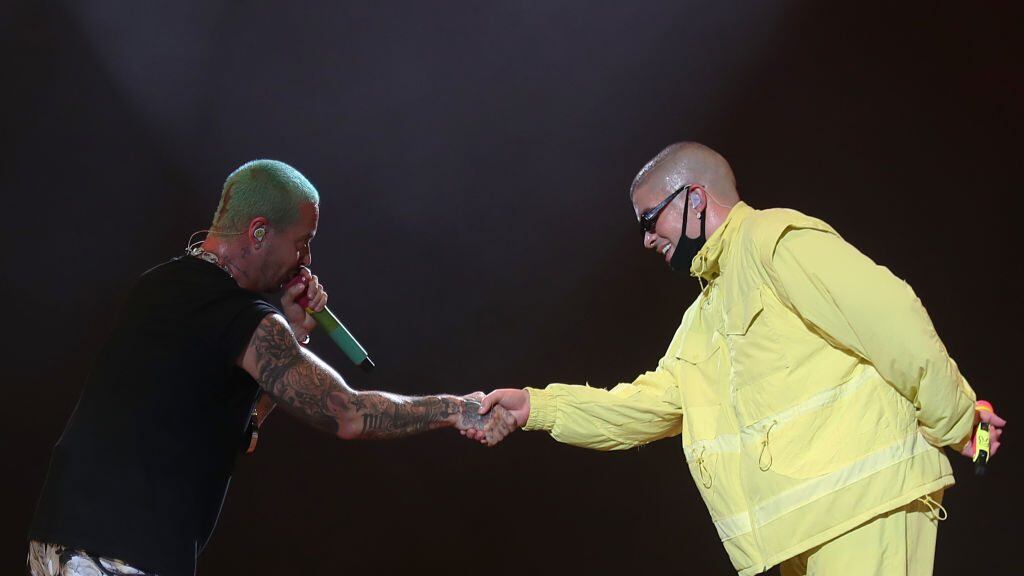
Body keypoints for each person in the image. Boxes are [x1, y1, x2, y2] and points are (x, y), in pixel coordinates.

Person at [475, 142, 1006, 575]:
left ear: (695, 199)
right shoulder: (705, 315)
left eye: (650, 219)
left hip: (866, 509)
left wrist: (960, 423)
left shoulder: (775, 241)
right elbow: (647, 407)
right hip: (806, 530)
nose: (644, 239)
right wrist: (534, 408)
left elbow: (893, 318)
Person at [28, 159, 516, 576]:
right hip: (117, 553)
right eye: (303, 242)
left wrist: (297, 332)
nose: (305, 261)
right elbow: (348, 413)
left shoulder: (162, 285)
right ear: (259, 231)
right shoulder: (239, 317)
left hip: (59, 538)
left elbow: (242, 426)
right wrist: (455, 408)